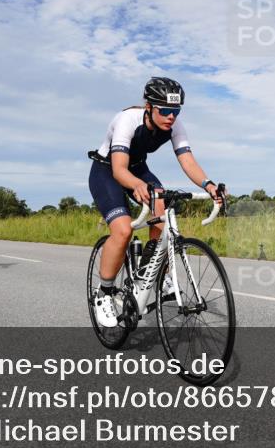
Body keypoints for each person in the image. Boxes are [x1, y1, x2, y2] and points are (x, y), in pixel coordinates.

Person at [88, 77, 224, 327]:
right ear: (149, 107)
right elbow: (119, 170)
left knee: (162, 207)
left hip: (138, 168)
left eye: (176, 111)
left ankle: (151, 272)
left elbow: (188, 161)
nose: (171, 117)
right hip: (107, 171)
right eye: (165, 111)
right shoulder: (127, 120)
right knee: (123, 230)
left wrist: (209, 185)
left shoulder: (175, 125)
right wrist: (136, 185)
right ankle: (104, 292)